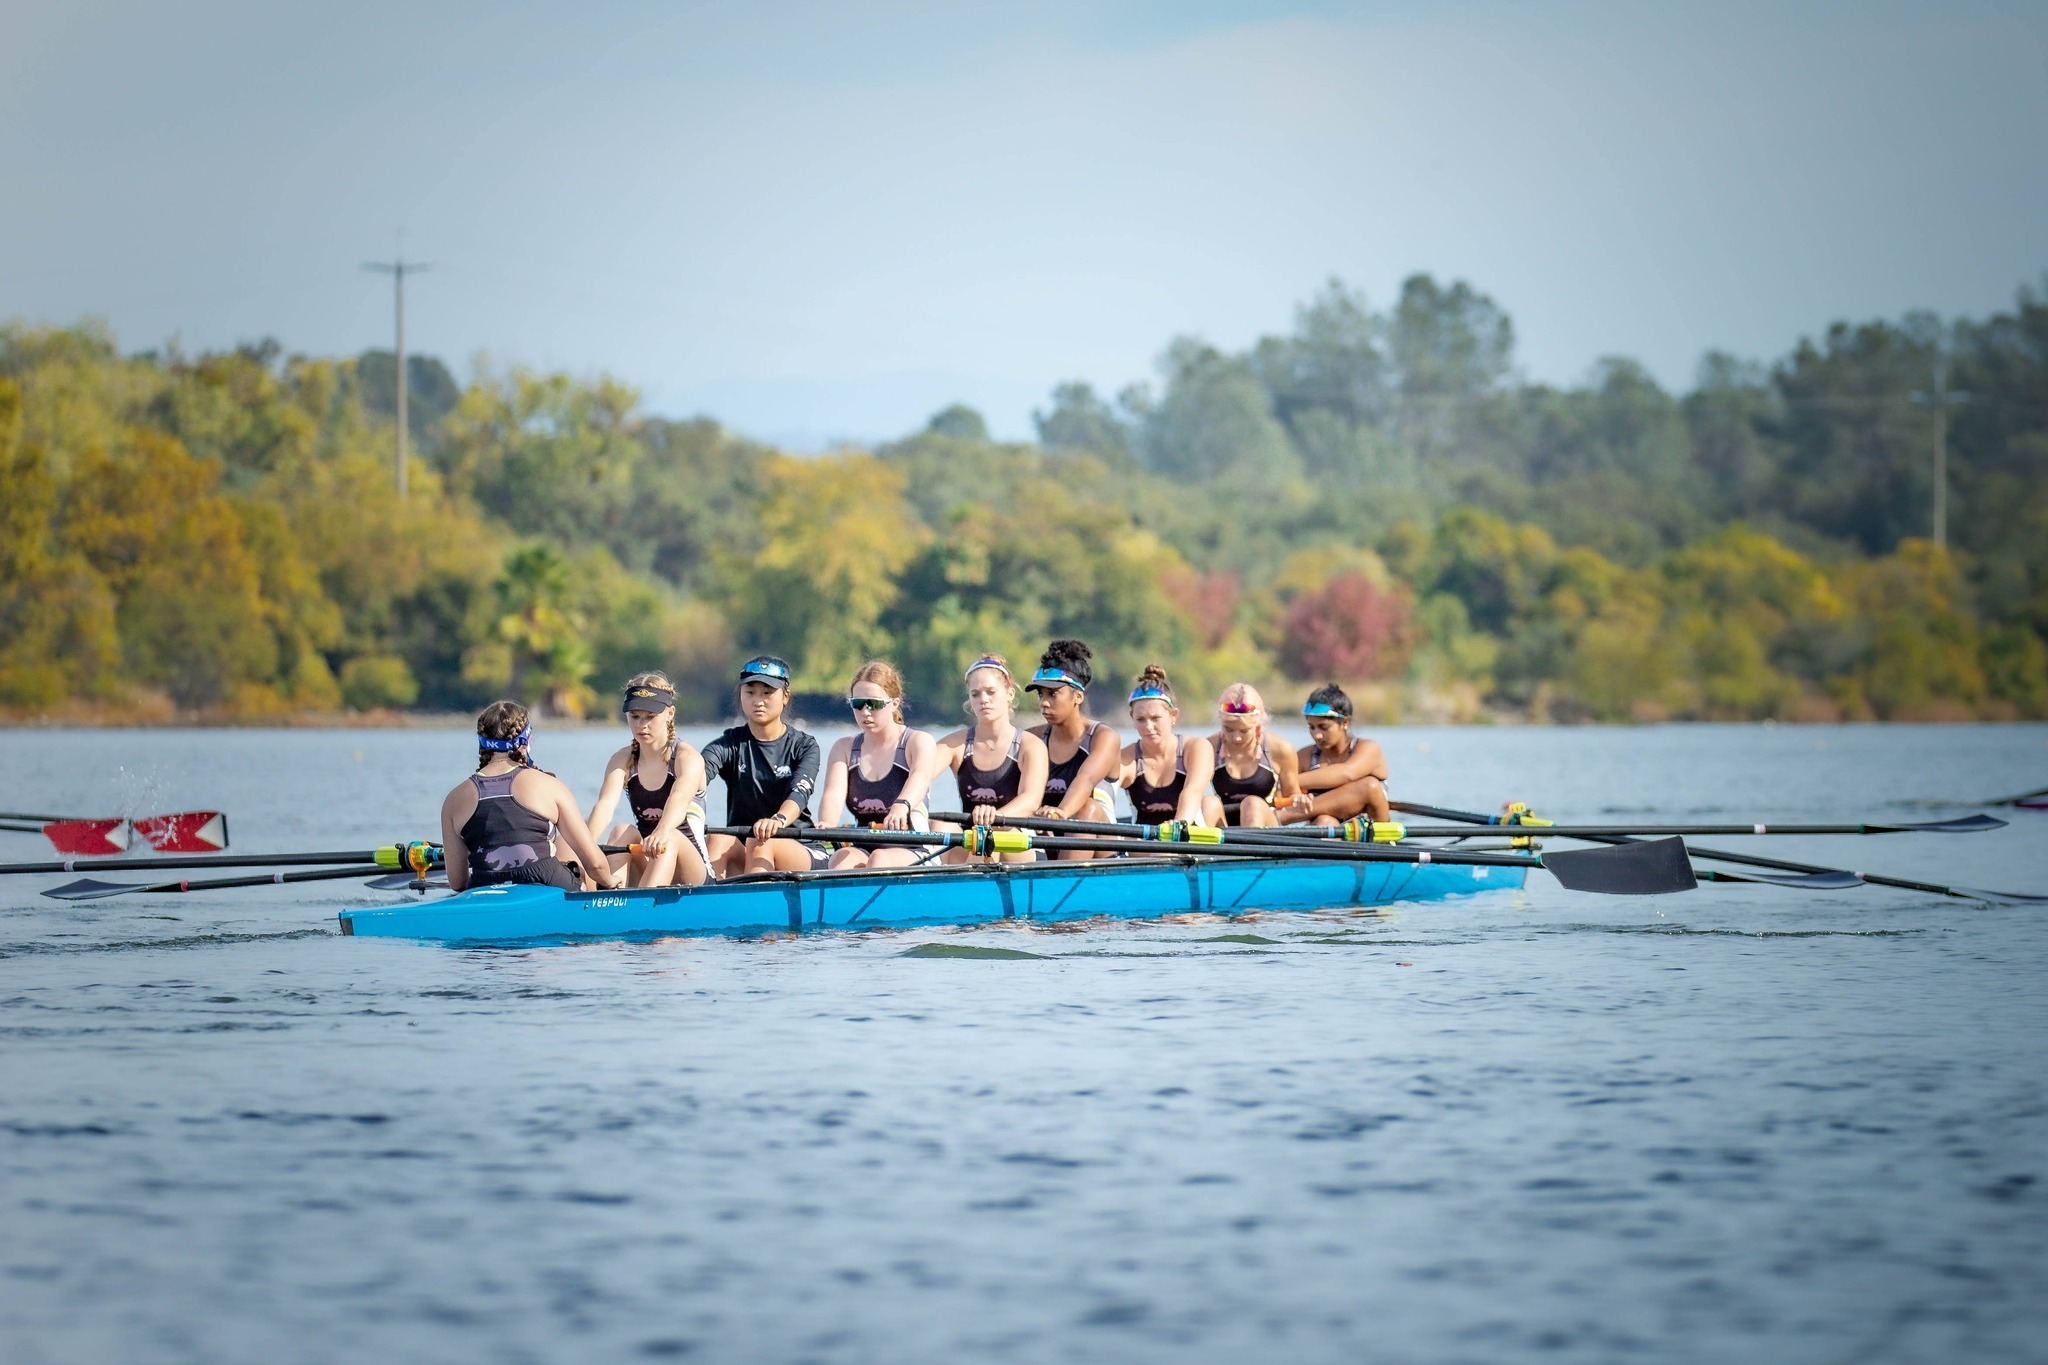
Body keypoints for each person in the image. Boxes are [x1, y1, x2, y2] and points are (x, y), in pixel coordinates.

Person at [440, 700, 620, 893]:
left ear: (482, 743)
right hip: (549, 884)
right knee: (581, 872)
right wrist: (610, 881)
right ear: (526, 741)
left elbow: (458, 882)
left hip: (483, 889)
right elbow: (596, 865)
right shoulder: (550, 786)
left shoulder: (454, 799)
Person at [699, 656, 825, 875]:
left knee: (761, 842)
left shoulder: (804, 746)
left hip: (800, 846)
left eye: (767, 693)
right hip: (748, 844)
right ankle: (711, 904)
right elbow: (697, 775)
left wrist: (778, 820)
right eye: (750, 692)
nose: (758, 700)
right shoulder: (728, 744)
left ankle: (753, 904)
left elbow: (799, 794)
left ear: (785, 696)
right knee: (719, 838)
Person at [586, 672, 711, 887]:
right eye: (635, 716)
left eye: (650, 717)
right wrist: (583, 847)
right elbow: (605, 806)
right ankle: (611, 900)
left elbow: (679, 799)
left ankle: (640, 911)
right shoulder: (623, 759)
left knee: (669, 836)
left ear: (670, 713)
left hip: (692, 869)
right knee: (620, 831)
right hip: (649, 859)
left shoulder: (687, 758)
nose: (641, 725)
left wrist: (662, 830)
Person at [815, 660, 942, 871]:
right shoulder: (844, 748)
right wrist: (826, 823)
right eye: (858, 704)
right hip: (863, 844)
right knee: (840, 859)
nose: (865, 712)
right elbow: (833, 795)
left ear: (894, 703)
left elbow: (920, 778)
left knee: (879, 860)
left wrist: (902, 805)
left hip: (914, 847)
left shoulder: (917, 742)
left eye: (874, 704)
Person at [936, 654, 1048, 862]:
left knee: (989, 839)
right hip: (974, 840)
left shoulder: (1030, 746)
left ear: (1010, 693)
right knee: (939, 826)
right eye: (975, 694)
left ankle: (971, 886)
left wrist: (994, 818)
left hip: (1018, 841)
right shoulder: (955, 744)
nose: (983, 700)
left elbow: (1030, 801)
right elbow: (917, 774)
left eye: (991, 692)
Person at [1024, 639, 1121, 860]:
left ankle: (1058, 887)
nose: (1044, 703)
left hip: (1102, 848)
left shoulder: (1103, 737)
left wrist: (1061, 813)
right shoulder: (1032, 738)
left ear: (1078, 696)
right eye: (1041, 694)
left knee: (1085, 808)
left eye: (1053, 694)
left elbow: (1085, 780)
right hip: (1051, 843)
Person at [1279, 683, 1392, 825]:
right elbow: (1276, 789)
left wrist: (1289, 780)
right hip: (1328, 828)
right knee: (1324, 821)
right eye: (1312, 727)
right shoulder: (1305, 756)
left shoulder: (1368, 748)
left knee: (1369, 786)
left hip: (1372, 835)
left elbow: (1347, 773)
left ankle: (1285, 817)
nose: (1317, 735)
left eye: (1323, 727)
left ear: (1345, 722)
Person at [1117, 663, 1215, 826]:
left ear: (1173, 716)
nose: (1148, 727)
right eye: (1140, 719)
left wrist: (1176, 827)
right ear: (1132, 718)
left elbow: (1192, 792)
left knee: (1210, 802)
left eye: (1155, 718)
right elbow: (1104, 796)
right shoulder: (1126, 757)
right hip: (1143, 847)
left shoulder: (1196, 748)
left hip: (1185, 840)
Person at [1201, 682, 1301, 828]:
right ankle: (1198, 849)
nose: (1236, 738)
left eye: (1244, 731)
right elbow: (1192, 791)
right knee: (1208, 802)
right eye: (1229, 729)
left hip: (1264, 823)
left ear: (1258, 727)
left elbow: (1292, 795)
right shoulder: (1207, 747)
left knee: (1252, 804)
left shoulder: (1280, 749)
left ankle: (1251, 849)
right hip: (1224, 823)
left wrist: (1299, 801)